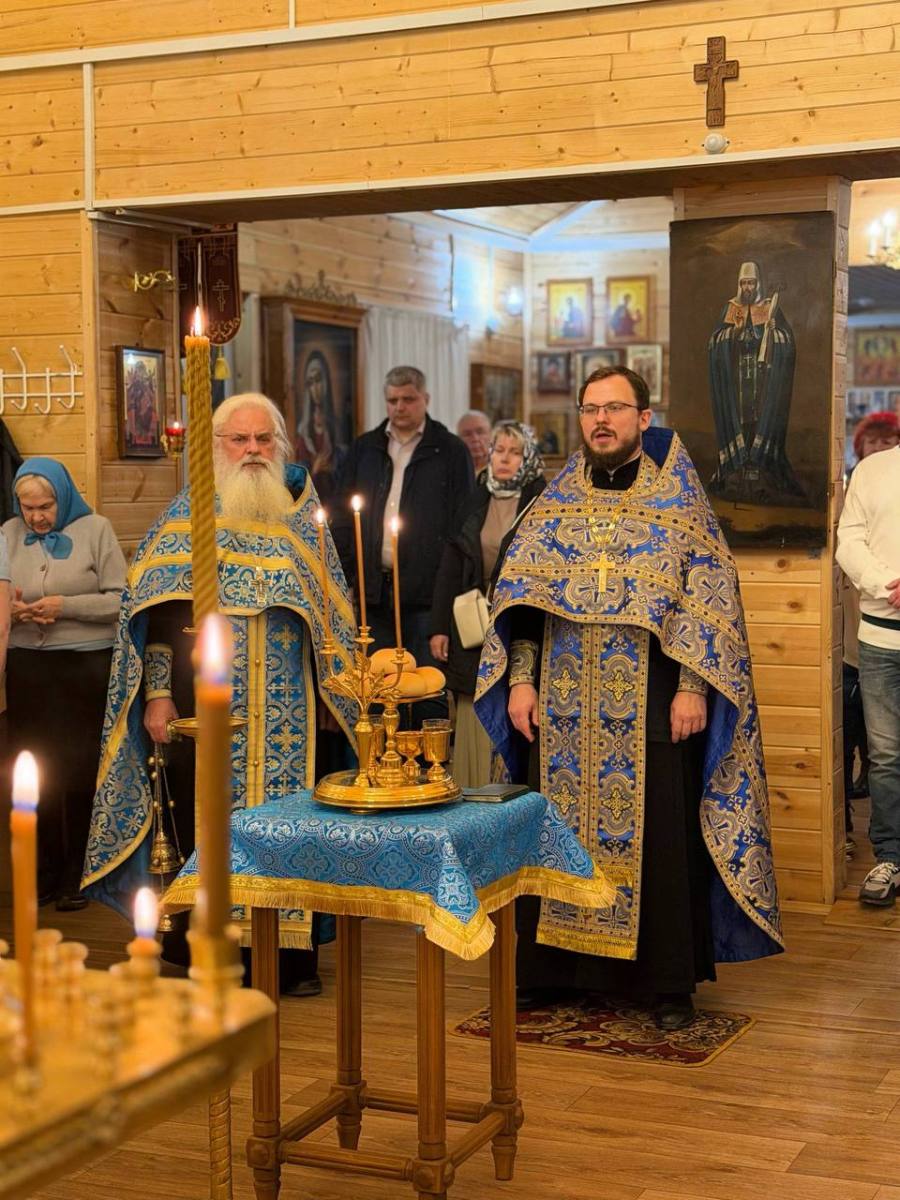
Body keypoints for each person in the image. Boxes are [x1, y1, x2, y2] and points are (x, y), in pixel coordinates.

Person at [475, 365, 784, 1030]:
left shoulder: (678, 503)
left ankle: (665, 984)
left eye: (614, 408)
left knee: (661, 836)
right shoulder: (551, 505)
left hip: (653, 698)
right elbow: (521, 606)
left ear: (644, 418)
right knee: (551, 832)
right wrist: (521, 679)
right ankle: (550, 973)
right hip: (559, 707)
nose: (601, 421)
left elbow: (707, 604)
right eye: (591, 409)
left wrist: (693, 688)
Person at [83, 393, 357, 991]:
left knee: (290, 827)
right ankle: (207, 952)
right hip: (203, 710)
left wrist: (334, 694)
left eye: (263, 439)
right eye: (240, 440)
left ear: (279, 445)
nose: (253, 450)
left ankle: (289, 962)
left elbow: (331, 621)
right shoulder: (187, 519)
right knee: (203, 824)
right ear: (216, 449)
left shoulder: (302, 520)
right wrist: (158, 694)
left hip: (290, 711)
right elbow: (157, 619)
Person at [4, 458, 126, 910]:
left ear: (64, 497)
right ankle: (44, 872)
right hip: (29, 670)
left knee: (78, 771)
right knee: (34, 771)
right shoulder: (7, 533)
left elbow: (121, 599)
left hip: (84, 668)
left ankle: (78, 874)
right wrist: (12, 610)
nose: (36, 517)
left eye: (45, 506)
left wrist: (65, 606)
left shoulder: (97, 530)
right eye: (28, 507)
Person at [332, 366, 474, 721]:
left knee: (426, 692)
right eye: (392, 400)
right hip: (375, 593)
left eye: (408, 399)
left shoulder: (450, 450)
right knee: (377, 691)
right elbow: (344, 518)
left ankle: (427, 757)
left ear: (425, 399)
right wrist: (348, 578)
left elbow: (461, 527)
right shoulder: (366, 448)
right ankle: (380, 755)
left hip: (427, 595)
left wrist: (447, 598)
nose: (400, 407)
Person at [429, 422, 546, 787]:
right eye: (499, 451)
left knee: (514, 697)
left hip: (520, 619)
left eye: (515, 452)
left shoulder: (542, 501)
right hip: (473, 620)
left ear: (528, 458)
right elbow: (450, 566)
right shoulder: (475, 498)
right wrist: (438, 627)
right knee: (473, 699)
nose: (504, 459)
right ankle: (473, 786)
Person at [836, 425, 900, 906]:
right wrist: (886, 584)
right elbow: (849, 540)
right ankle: (891, 856)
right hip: (880, 638)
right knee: (885, 756)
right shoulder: (873, 470)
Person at [707, 260, 803, 503]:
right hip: (737, 381)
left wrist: (775, 332)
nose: (748, 287)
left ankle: (760, 472)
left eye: (751, 283)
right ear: (739, 285)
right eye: (744, 283)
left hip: (762, 379)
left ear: (758, 284)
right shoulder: (731, 308)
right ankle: (737, 473)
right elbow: (714, 343)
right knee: (740, 420)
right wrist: (734, 332)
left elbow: (787, 342)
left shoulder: (769, 307)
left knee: (759, 419)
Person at [294, 350, 343, 505]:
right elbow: (298, 478)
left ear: (326, 380)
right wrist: (315, 469)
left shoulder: (337, 424)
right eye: (310, 383)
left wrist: (331, 468)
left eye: (318, 380)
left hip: (335, 502)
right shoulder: (303, 430)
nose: (315, 388)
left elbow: (344, 469)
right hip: (310, 505)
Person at [456, 410, 492, 478]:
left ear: (491, 435)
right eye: (467, 434)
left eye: (480, 432)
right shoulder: (452, 470)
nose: (475, 439)